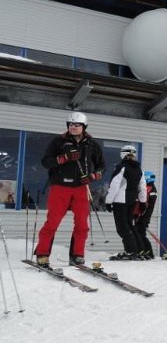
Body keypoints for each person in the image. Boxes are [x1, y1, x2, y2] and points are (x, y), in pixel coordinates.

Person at [34, 112, 105, 267]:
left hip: (81, 188)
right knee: (52, 222)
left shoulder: (92, 144)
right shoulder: (58, 142)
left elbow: (101, 167)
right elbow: (46, 162)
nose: (73, 127)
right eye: (71, 124)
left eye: (77, 125)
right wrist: (63, 158)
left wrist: (92, 177)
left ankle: (77, 255)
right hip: (60, 187)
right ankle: (42, 254)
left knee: (82, 224)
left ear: (84, 127)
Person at [105, 144, 147, 260]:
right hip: (132, 200)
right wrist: (143, 202)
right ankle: (139, 250)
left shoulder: (121, 167)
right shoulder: (139, 170)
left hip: (120, 200)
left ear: (122, 154)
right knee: (129, 225)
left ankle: (130, 251)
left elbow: (114, 186)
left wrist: (108, 201)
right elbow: (142, 187)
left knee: (122, 227)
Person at [132, 171, 158, 259]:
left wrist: (141, 216)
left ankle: (148, 252)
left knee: (141, 233)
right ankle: (144, 250)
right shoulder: (149, 188)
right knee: (139, 233)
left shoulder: (151, 189)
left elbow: (147, 205)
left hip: (144, 216)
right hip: (141, 215)